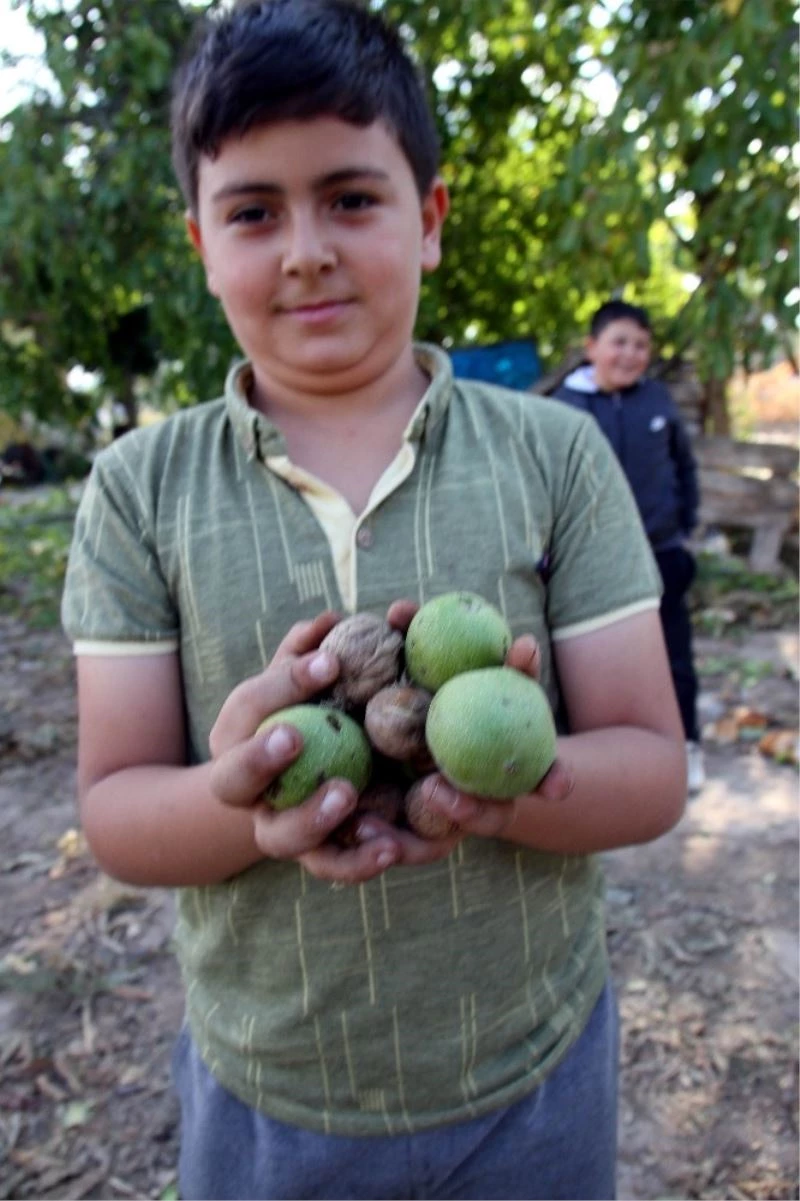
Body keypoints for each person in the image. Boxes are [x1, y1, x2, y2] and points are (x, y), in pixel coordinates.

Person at [60, 4, 686, 1198]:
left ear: (430, 219)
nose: (305, 251)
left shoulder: (554, 455)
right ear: (199, 244)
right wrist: (239, 794)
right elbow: (118, 812)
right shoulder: (139, 488)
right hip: (272, 1092)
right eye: (253, 212)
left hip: (529, 1076)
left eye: (350, 198)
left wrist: (502, 785)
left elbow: (651, 772)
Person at [552, 299, 705, 796]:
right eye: (619, 342)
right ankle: (595, 762)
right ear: (591, 347)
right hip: (590, 564)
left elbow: (684, 466)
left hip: (662, 554)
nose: (631, 354)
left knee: (675, 657)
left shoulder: (657, 399)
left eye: (641, 345)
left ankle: (687, 750)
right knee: (592, 663)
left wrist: (684, 525)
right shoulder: (563, 408)